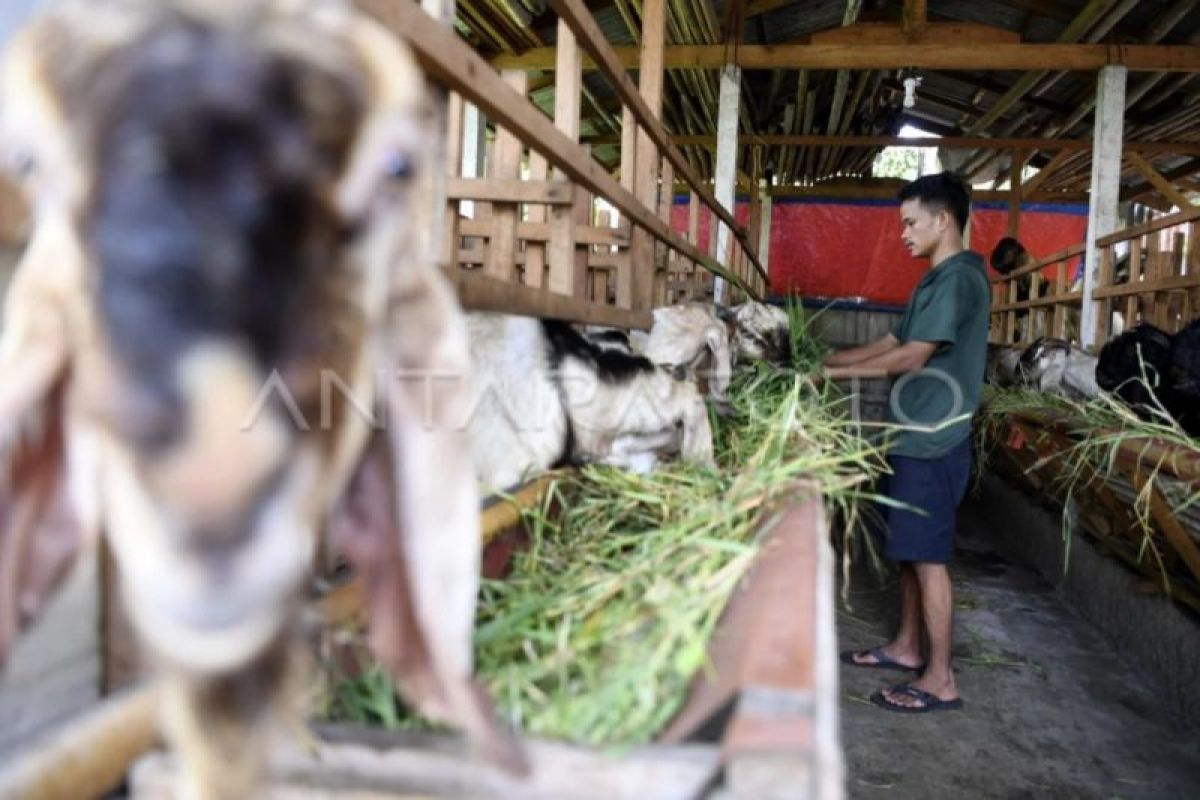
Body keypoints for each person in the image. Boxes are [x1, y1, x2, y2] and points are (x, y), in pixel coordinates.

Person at [822, 171, 990, 714]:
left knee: (929, 558)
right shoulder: (932, 280)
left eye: (911, 222)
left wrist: (830, 378)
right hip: (911, 433)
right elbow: (892, 341)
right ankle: (906, 645)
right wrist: (825, 361)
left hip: (934, 439)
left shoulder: (961, 279)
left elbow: (912, 358)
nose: (903, 233)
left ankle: (941, 678)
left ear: (944, 220)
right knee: (909, 554)